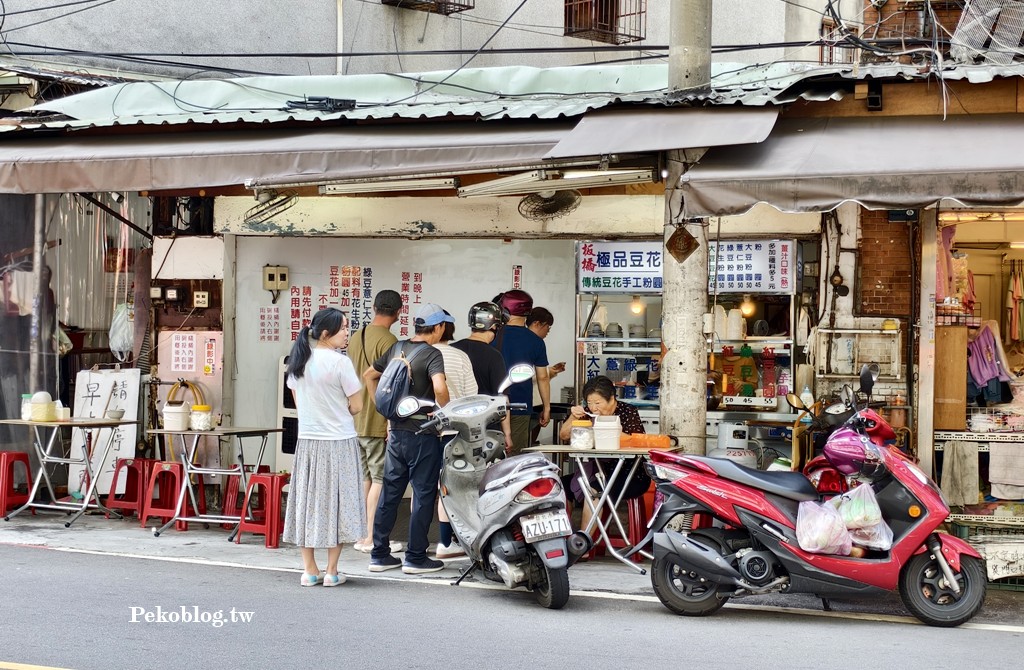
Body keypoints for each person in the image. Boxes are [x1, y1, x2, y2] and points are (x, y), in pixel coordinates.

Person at [364, 303, 451, 574]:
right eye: (443, 326)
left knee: (390, 493)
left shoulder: (396, 348)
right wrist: (444, 411)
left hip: (397, 432)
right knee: (424, 494)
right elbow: (439, 387)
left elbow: (369, 375)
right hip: (423, 433)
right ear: (437, 328)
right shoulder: (432, 354)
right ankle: (415, 557)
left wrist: (383, 407)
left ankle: (379, 555)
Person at [282, 307, 365, 587]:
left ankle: (310, 570)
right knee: (338, 505)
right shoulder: (340, 363)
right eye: (343, 329)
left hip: (308, 443)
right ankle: (332, 571)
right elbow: (357, 405)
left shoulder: (298, 361)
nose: (347, 334)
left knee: (308, 504)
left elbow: (298, 401)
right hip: (340, 442)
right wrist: (339, 409)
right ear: (327, 333)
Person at [347, 289, 404, 554]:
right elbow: (392, 382)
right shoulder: (390, 341)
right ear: (398, 311)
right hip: (378, 420)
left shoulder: (355, 338)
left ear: (374, 307)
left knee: (365, 478)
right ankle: (370, 537)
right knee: (380, 478)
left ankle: (361, 533)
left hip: (355, 419)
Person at [558, 375, 649, 533]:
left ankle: (582, 545)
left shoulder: (627, 412)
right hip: (595, 472)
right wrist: (574, 416)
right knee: (558, 487)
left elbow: (636, 441)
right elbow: (564, 435)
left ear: (612, 399)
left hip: (630, 475)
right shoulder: (587, 413)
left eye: (598, 403)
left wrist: (604, 432)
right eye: (589, 402)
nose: (593, 408)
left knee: (593, 490)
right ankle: (561, 539)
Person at [432, 310, 477, 559]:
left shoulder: (415, 353)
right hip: (454, 431)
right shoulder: (459, 356)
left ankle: (419, 545)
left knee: (425, 486)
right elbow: (472, 395)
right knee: (451, 487)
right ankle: (447, 542)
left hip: (424, 430)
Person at [492, 290, 549, 455]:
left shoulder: (492, 335)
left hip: (491, 405)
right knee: (514, 456)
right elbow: (542, 377)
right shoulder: (536, 341)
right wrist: (546, 407)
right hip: (520, 405)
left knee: (488, 455)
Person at [451, 301, 514, 451]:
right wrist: (507, 434)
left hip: (454, 426)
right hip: (486, 429)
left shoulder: (453, 349)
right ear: (494, 327)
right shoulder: (494, 356)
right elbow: (502, 398)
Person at [526, 306, 566, 444]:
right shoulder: (535, 342)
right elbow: (532, 375)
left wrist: (551, 371)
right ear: (537, 323)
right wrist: (547, 408)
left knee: (528, 440)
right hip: (531, 402)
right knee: (526, 442)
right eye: (547, 326)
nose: (548, 330)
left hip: (532, 401)